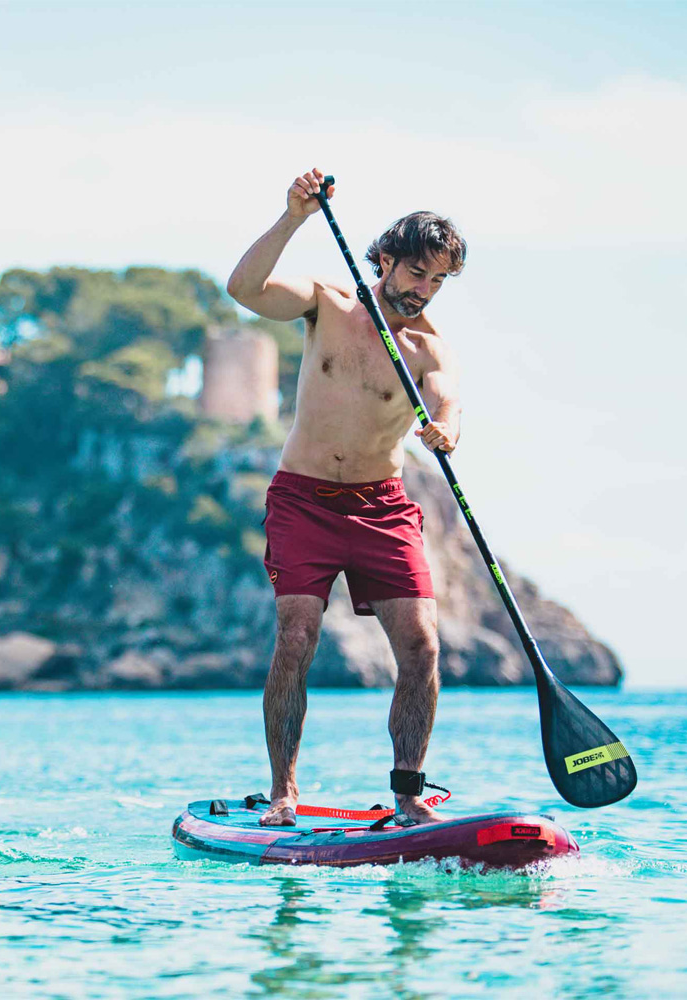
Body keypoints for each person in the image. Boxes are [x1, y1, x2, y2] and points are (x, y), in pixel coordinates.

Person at [227, 167, 467, 826]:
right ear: (385, 260)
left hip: (382, 506)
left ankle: (410, 793)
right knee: (297, 636)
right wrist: (294, 217)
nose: (426, 290)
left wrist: (446, 425)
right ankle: (283, 793)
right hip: (303, 499)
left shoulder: (425, 346)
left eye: (439, 280)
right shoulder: (328, 304)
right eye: (418, 272)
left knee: (422, 646)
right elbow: (245, 289)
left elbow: (446, 392)